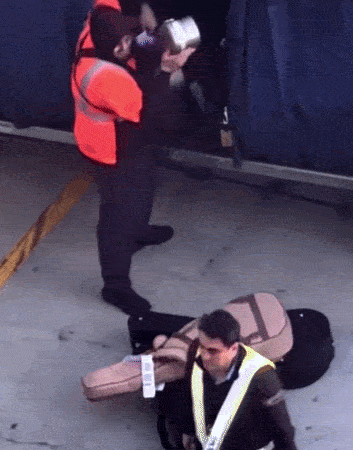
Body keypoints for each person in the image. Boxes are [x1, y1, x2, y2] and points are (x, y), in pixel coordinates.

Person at [71, 2, 195, 315]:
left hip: (127, 138)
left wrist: (144, 14)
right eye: (126, 42)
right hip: (113, 147)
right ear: (113, 48)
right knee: (117, 215)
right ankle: (115, 286)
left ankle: (138, 231)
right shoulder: (106, 79)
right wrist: (168, 70)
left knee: (143, 186)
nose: (132, 43)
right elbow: (152, 117)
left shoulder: (97, 25)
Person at [168, 309, 298, 450]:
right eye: (202, 346)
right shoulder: (196, 349)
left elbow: (283, 431)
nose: (204, 355)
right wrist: (187, 430)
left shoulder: (263, 379)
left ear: (234, 348)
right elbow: (189, 391)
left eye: (213, 351)